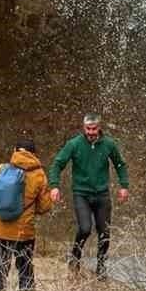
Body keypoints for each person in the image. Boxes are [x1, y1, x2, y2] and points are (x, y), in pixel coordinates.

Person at [48, 113, 129, 279]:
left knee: (104, 232)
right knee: (85, 228)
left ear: (99, 127)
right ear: (83, 128)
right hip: (81, 194)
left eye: (94, 128)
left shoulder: (108, 144)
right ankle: (75, 256)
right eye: (88, 129)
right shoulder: (74, 144)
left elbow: (120, 164)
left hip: (102, 194)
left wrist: (124, 186)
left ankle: (101, 266)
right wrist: (54, 186)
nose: (91, 132)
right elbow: (58, 163)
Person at [0, 138, 52, 291]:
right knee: (25, 270)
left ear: (15, 150)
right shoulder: (39, 175)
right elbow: (44, 207)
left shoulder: (0, 169)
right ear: (34, 153)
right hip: (24, 233)